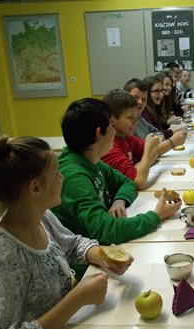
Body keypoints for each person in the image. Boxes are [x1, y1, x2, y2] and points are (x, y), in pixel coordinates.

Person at [0, 135, 131, 329]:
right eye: (57, 174)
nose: (62, 178)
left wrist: (105, 257)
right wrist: (77, 298)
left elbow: (72, 244)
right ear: (35, 188)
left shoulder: (43, 217)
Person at [51, 98, 181, 277]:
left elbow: (127, 182)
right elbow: (106, 231)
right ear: (99, 133)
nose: (114, 132)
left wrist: (119, 200)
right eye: (111, 125)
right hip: (83, 269)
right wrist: (156, 216)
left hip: (104, 252)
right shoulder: (74, 177)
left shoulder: (90, 160)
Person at [141, 75, 187, 139]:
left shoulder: (156, 106)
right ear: (147, 92)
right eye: (156, 91)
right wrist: (177, 130)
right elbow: (154, 135)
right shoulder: (143, 111)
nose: (160, 94)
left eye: (161, 90)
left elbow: (158, 129)